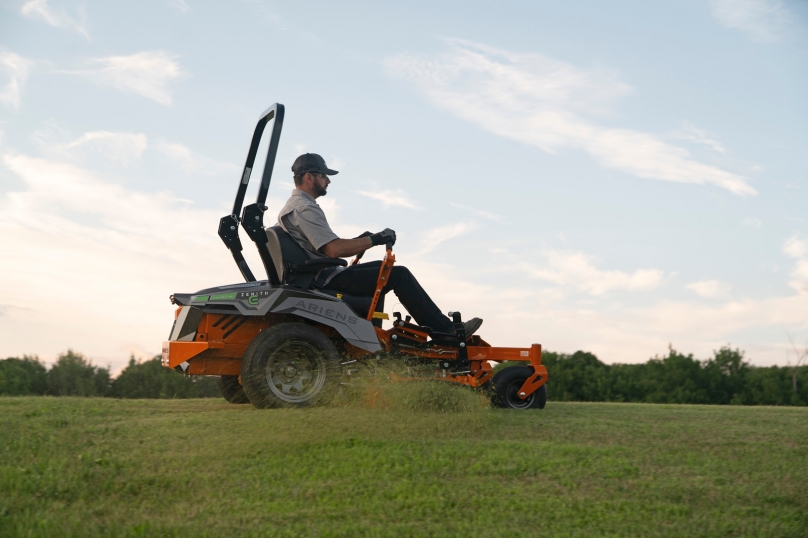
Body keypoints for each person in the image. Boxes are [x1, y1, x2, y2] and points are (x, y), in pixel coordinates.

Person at [274, 153, 482, 337]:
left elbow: (324, 246)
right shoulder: (304, 208)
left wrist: (362, 241)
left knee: (381, 272)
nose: (328, 181)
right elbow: (334, 249)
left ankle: (374, 339)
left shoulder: (295, 207)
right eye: (323, 176)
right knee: (397, 274)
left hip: (319, 274)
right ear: (309, 177)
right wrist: (374, 240)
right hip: (323, 279)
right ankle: (446, 332)